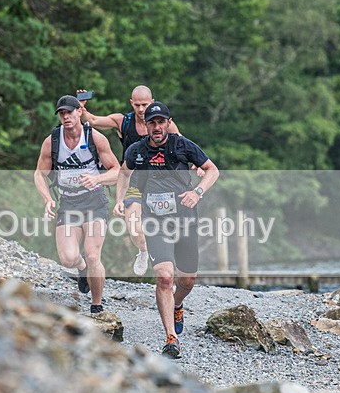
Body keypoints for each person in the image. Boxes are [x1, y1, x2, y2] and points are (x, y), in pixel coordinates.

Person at [115, 101, 219, 359]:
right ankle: (171, 339)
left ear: (169, 123)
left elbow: (212, 170)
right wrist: (121, 199)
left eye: (162, 122)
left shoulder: (183, 145)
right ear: (147, 125)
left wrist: (197, 192)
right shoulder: (136, 150)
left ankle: (178, 304)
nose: (157, 127)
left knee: (187, 280)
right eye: (152, 122)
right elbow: (124, 173)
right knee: (164, 276)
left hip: (184, 219)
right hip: (155, 221)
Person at [78, 85, 180, 277]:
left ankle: (168, 270)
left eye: (145, 105)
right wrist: (81, 107)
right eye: (137, 105)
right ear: (131, 103)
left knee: (165, 230)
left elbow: (184, 146)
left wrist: (197, 165)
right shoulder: (123, 121)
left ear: (152, 102)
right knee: (134, 230)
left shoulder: (165, 124)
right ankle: (143, 251)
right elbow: (91, 120)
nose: (141, 110)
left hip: (161, 185)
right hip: (133, 183)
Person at [34, 95, 119, 314]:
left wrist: (97, 179)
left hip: (94, 201)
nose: (66, 117)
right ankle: (81, 269)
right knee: (68, 259)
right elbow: (39, 174)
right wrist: (48, 199)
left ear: (79, 112)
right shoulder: (52, 141)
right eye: (62, 113)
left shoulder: (95, 138)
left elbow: (116, 170)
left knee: (93, 255)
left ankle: (96, 304)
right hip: (68, 202)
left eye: (69, 112)